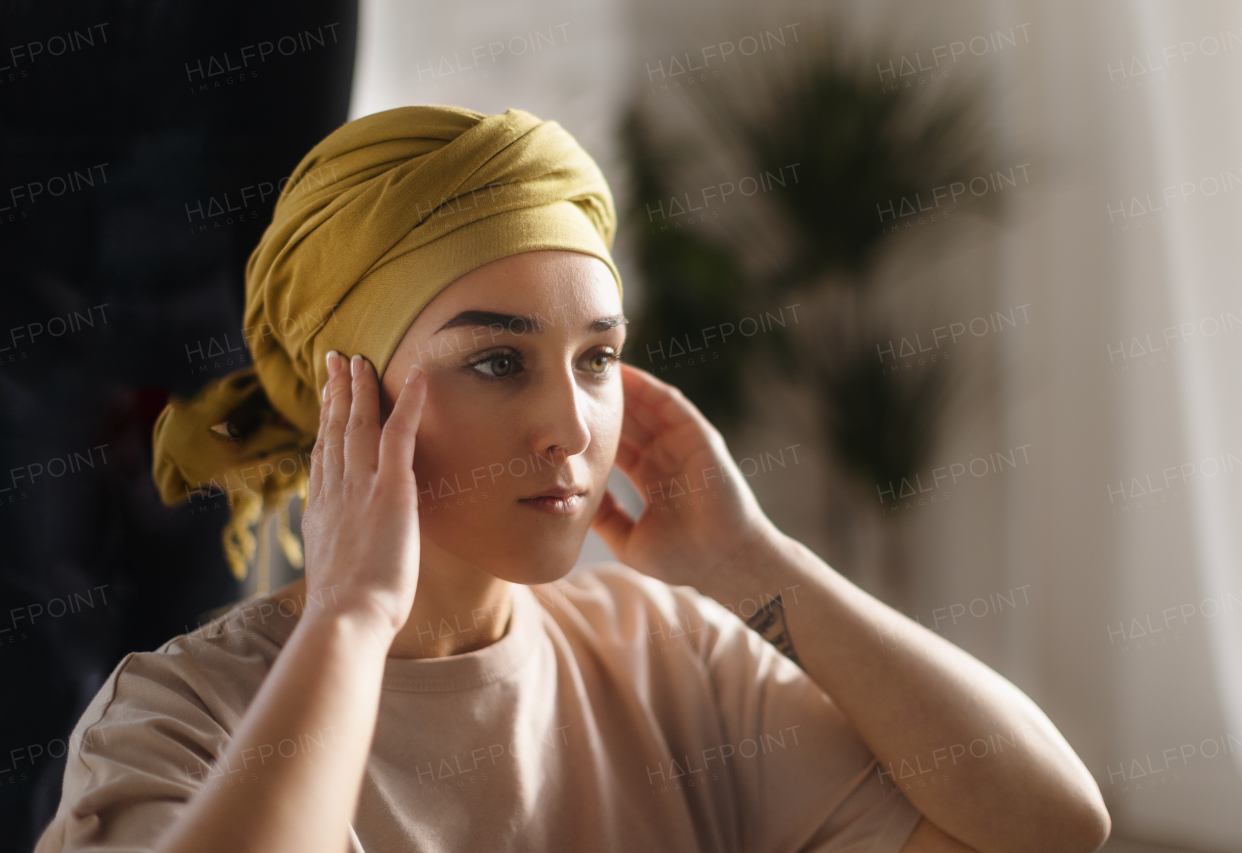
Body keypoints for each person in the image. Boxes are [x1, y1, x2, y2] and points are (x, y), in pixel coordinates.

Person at [34, 105, 1110, 853]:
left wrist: (752, 561)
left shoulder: (669, 656)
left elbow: (1049, 824)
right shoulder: (173, 718)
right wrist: (353, 617)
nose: (569, 424)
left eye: (596, 357)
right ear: (345, 398)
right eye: (497, 360)